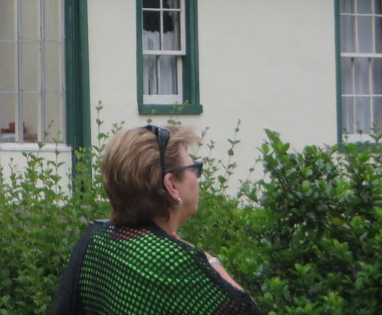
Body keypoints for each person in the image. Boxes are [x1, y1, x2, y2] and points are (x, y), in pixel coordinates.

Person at [51, 124, 258, 315]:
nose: (196, 177)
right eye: (194, 169)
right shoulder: (175, 262)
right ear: (172, 185)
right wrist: (208, 260)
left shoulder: (97, 239)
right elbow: (247, 309)